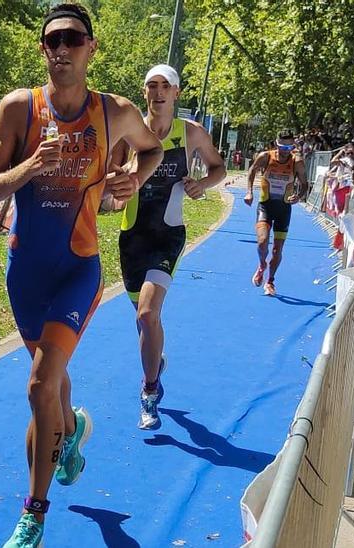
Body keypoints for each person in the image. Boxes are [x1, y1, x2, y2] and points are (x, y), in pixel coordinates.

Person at [0, 4, 164, 545]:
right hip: (26, 274)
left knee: (39, 385)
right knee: (50, 383)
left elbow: (149, 150)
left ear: (90, 47)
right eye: (52, 40)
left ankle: (33, 514)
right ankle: (73, 428)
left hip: (79, 269)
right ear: (43, 50)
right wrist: (29, 168)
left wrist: (129, 179)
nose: (61, 48)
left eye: (72, 39)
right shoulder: (19, 110)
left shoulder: (115, 112)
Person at [120, 63, 225, 430]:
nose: (158, 92)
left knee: (147, 315)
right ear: (145, 92)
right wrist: (114, 187)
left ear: (176, 93)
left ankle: (149, 392)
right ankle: (156, 363)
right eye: (152, 85)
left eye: (166, 85)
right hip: (131, 236)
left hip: (167, 235)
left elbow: (218, 168)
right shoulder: (129, 132)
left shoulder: (192, 133)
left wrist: (202, 185)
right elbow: (111, 175)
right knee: (145, 323)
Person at [244, 130, 308, 296]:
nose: (285, 150)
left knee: (277, 251)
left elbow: (305, 184)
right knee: (262, 241)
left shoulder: (297, 162)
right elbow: (252, 170)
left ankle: (270, 281)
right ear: (276, 143)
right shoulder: (266, 156)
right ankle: (261, 265)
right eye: (282, 146)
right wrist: (249, 192)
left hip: (283, 209)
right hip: (265, 206)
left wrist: (299, 196)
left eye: (289, 147)